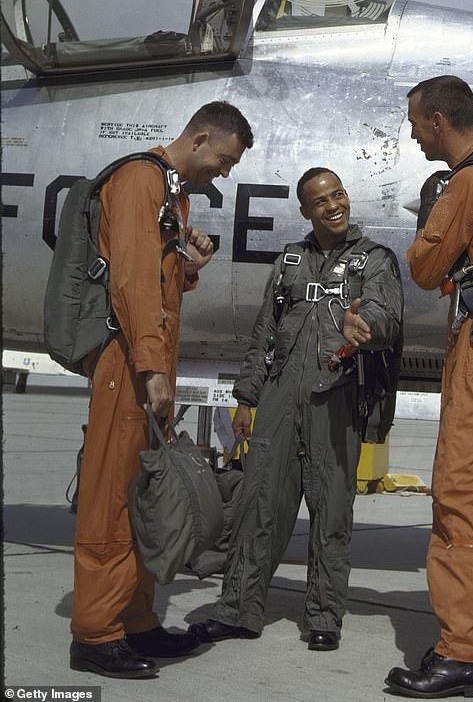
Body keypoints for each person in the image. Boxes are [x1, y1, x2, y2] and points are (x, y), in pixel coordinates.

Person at [70, 101, 254, 679]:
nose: (222, 174)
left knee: (149, 498)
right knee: (112, 503)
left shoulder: (173, 194)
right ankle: (96, 635)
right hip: (128, 368)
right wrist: (151, 368)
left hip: (149, 369)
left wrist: (187, 264)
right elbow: (128, 283)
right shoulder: (138, 181)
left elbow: (156, 278)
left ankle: (138, 622)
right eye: (223, 160)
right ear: (200, 138)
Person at [189, 167, 403, 651]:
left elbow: (386, 315)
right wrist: (246, 396)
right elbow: (266, 330)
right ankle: (237, 609)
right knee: (258, 505)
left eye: (339, 194)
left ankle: (324, 616)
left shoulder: (374, 260)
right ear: (307, 211)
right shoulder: (290, 261)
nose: (334, 205)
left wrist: (364, 324)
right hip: (281, 397)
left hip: (337, 397)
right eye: (321, 200)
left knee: (330, 513)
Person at [385, 75, 473, 699]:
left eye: (416, 122)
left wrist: (437, 217)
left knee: (457, 497)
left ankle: (460, 654)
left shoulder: (471, 180)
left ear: (440, 121)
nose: (413, 134)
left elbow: (423, 267)